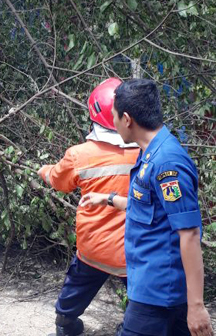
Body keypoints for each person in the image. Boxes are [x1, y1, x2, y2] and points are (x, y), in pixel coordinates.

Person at [79, 79, 214, 336]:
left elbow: (190, 234)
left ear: (127, 119)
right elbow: (151, 208)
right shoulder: (150, 152)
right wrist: (107, 199)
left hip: (158, 292)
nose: (113, 123)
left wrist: (196, 306)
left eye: (114, 117)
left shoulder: (167, 163)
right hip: (151, 287)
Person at [37, 78, 140, 336]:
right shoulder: (145, 150)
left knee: (76, 288)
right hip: (132, 251)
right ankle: (131, 327)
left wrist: (44, 171)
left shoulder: (79, 154)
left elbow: (59, 182)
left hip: (93, 248)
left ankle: (66, 321)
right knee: (140, 298)